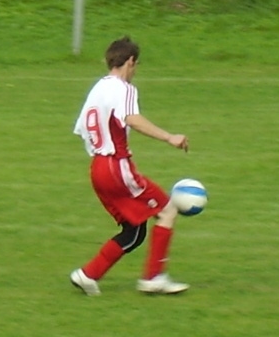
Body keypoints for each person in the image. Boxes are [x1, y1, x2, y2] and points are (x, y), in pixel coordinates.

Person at [70, 36, 190, 295]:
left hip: (97, 168)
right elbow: (132, 119)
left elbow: (83, 130)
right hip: (116, 166)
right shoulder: (123, 88)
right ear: (131, 62)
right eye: (136, 65)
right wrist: (170, 137)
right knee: (168, 210)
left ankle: (88, 274)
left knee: (134, 231)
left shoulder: (97, 90)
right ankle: (154, 277)